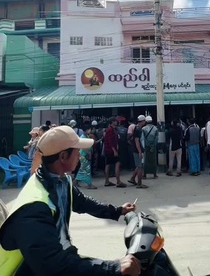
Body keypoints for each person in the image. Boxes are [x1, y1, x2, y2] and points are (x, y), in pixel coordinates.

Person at [0, 125, 141, 276]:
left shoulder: (60, 180)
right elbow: (53, 265)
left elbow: (82, 202)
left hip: (59, 256)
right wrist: (114, 268)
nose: (80, 156)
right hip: (26, 269)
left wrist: (118, 210)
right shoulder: (34, 208)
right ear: (63, 157)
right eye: (76, 151)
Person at [103, 117, 127, 188]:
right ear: (112, 122)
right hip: (111, 150)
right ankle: (118, 181)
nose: (116, 122)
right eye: (115, 121)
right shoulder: (111, 130)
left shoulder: (111, 129)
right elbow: (111, 142)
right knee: (117, 163)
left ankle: (107, 181)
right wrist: (114, 151)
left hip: (108, 150)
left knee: (108, 164)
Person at [128, 115, 148, 189]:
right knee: (140, 167)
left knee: (139, 166)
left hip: (137, 149)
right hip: (138, 150)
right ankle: (139, 183)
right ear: (142, 121)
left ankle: (133, 178)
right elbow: (137, 141)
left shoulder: (137, 128)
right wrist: (140, 151)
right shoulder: (138, 129)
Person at [74, 124, 97, 189]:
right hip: (84, 155)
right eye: (89, 129)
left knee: (83, 169)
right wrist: (89, 153)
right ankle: (89, 184)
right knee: (87, 170)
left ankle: (75, 181)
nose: (90, 130)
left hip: (83, 155)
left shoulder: (85, 136)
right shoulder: (83, 137)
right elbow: (83, 147)